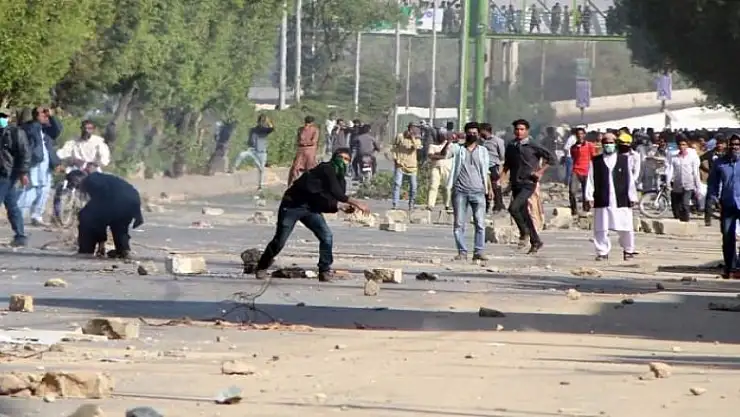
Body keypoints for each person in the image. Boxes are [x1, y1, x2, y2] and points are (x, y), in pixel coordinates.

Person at [253, 148, 369, 282]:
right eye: (341, 157)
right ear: (334, 157)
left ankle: (324, 270)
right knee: (280, 240)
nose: (343, 161)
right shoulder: (326, 168)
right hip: (292, 206)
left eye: (347, 159)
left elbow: (328, 199)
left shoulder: (340, 180)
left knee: (326, 236)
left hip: (311, 209)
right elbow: (336, 193)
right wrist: (356, 202)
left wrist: (341, 207)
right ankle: (262, 266)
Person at [503, 119, 554, 253]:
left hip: (528, 183)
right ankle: (536, 241)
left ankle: (524, 232)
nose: (519, 132)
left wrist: (540, 172)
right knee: (524, 213)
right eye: (517, 129)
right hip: (516, 182)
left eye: (522, 129)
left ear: (527, 131)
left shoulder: (533, 145)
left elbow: (551, 159)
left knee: (513, 208)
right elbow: (508, 164)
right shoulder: (511, 146)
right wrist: (503, 180)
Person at [584, 133, 638, 261]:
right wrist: (589, 197)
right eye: (606, 142)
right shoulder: (595, 161)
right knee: (601, 228)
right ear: (602, 144)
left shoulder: (624, 160)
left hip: (621, 198)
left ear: (615, 144)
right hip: (602, 198)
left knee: (625, 226)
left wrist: (632, 196)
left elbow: (629, 180)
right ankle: (602, 252)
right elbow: (590, 180)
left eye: (611, 142)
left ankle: (628, 250)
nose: (608, 145)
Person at [71, 166, 144, 259]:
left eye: (73, 184)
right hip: (131, 200)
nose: (76, 187)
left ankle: (86, 250)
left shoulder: (90, 180)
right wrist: (137, 213)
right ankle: (123, 250)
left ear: (77, 179)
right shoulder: (101, 179)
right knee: (119, 225)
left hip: (119, 200)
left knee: (85, 217)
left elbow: (99, 215)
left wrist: (101, 242)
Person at [445, 122, 491, 261]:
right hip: (460, 191)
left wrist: (489, 188)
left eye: (474, 133)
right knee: (459, 224)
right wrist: (448, 142)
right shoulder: (458, 149)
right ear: (465, 134)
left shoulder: (483, 151)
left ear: (479, 134)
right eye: (469, 133)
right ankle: (462, 252)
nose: (472, 135)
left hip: (478, 191)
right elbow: (444, 155)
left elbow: (486, 171)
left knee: (480, 223)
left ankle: (479, 251)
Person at [19, 107, 63, 226]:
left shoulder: (46, 129)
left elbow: (58, 130)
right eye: (42, 114)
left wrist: (52, 116)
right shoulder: (29, 127)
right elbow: (30, 133)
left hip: (46, 163)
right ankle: (19, 214)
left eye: (46, 114)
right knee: (31, 189)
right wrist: (37, 121)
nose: (45, 116)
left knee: (44, 190)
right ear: (35, 115)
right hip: (34, 163)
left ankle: (37, 216)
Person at [0, 108, 31, 247]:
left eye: (4, 116)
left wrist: (23, 172)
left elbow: (25, 153)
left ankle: (20, 235)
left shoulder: (16, 133)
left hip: (7, 173)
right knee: (12, 205)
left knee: (11, 205)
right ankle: (20, 236)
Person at [231, 114, 274, 189]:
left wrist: (269, 121)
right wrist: (249, 145)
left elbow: (272, 128)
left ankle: (260, 185)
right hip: (253, 151)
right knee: (242, 154)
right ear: (258, 122)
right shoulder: (253, 130)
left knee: (261, 169)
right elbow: (250, 141)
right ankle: (234, 168)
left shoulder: (265, 130)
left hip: (262, 153)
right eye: (261, 121)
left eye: (263, 122)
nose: (262, 123)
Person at [666, 136, 701, 222]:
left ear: (687, 145)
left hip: (688, 184)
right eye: (680, 145)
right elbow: (670, 170)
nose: (682, 146)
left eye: (683, 144)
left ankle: (686, 221)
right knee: (677, 206)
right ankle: (679, 222)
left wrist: (698, 187)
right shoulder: (674, 158)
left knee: (685, 204)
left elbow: (695, 172)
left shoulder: (692, 157)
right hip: (677, 185)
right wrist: (668, 182)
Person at [391, 123, 423, 210]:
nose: (413, 131)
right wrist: (395, 159)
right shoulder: (400, 136)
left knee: (413, 187)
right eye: (411, 129)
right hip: (400, 164)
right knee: (397, 184)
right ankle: (395, 204)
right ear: (408, 128)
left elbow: (416, 147)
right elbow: (394, 147)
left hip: (412, 166)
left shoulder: (417, 139)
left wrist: (412, 138)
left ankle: (411, 203)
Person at [568, 127, 596, 215]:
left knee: (586, 192)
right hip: (576, 170)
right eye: (578, 134)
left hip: (587, 171)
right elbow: (573, 157)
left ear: (584, 135)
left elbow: (593, 157)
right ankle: (574, 210)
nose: (579, 136)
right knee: (572, 191)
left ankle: (586, 209)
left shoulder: (589, 145)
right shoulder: (573, 147)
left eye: (581, 134)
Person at [700, 137, 726, 226]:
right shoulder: (711, 153)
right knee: (710, 199)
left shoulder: (727, 153)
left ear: (725, 144)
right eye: (718, 143)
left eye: (722, 143)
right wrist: (707, 170)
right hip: (713, 179)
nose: (720, 145)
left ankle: (724, 218)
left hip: (724, 179)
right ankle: (707, 219)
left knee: (724, 199)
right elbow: (700, 159)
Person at [480, 123, 506, 213]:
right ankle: (485, 206)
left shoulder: (497, 141)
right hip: (482, 166)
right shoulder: (480, 141)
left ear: (485, 131)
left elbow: (502, 154)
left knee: (495, 185)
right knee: (484, 186)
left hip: (493, 165)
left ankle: (498, 204)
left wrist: (500, 164)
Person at [287, 116, 319, 186]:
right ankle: (295, 184)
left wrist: (303, 143)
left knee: (302, 168)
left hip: (307, 150)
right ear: (312, 122)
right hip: (305, 150)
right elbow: (313, 141)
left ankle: (307, 184)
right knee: (296, 168)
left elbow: (312, 141)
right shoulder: (303, 129)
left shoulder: (313, 130)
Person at [426, 131, 452, 210]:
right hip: (436, 167)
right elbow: (431, 156)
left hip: (447, 168)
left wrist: (438, 154)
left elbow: (447, 155)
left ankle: (447, 205)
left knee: (447, 187)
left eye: (443, 135)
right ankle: (430, 204)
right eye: (440, 135)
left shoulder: (450, 144)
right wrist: (441, 156)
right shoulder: (432, 145)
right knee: (433, 185)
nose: (442, 137)